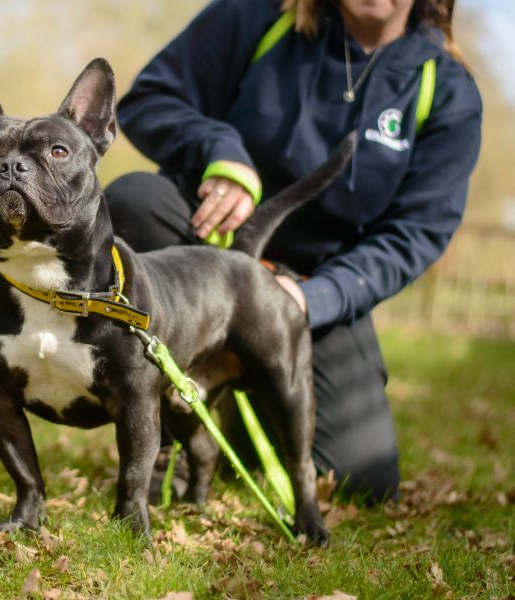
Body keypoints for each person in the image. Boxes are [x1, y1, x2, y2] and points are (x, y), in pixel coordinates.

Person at [105, 0, 482, 502]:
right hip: (207, 251)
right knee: (134, 201)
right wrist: (219, 151)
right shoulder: (258, 15)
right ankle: (164, 441)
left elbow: (416, 232)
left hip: (311, 285)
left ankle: (232, 391)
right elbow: (149, 99)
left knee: (361, 481)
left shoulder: (448, 90)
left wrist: (317, 297)